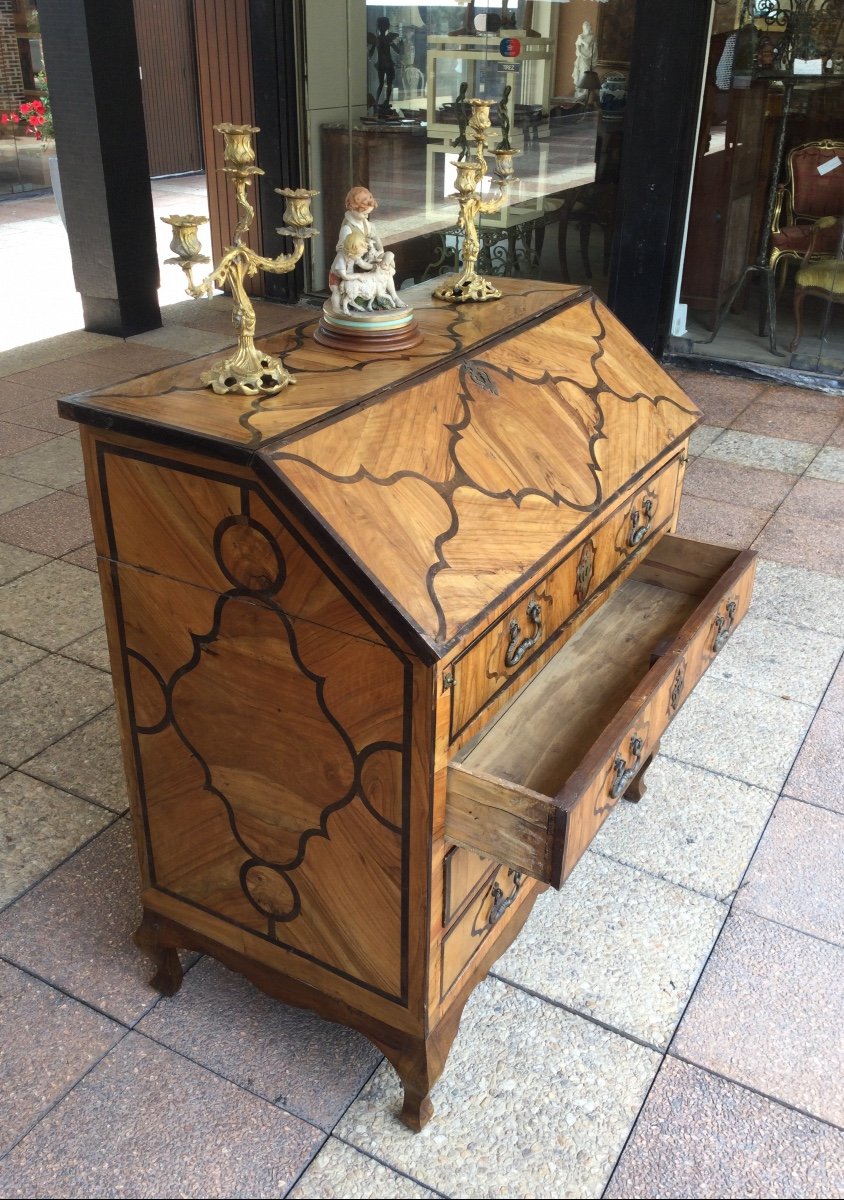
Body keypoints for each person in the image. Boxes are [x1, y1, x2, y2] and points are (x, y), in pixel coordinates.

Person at [369, 17, 400, 112]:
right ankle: (381, 101)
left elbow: (398, 50)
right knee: (385, 83)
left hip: (384, 64)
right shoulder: (382, 39)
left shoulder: (381, 39)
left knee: (384, 84)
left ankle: (381, 101)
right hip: (385, 64)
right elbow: (398, 50)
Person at [573, 20, 596, 96]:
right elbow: (577, 44)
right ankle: (580, 90)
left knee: (586, 73)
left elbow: (587, 44)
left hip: (588, 58)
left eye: (589, 26)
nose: (589, 28)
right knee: (580, 73)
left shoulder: (591, 36)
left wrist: (581, 39)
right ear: (584, 28)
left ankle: (585, 92)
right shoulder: (581, 36)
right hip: (582, 57)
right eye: (587, 27)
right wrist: (579, 51)